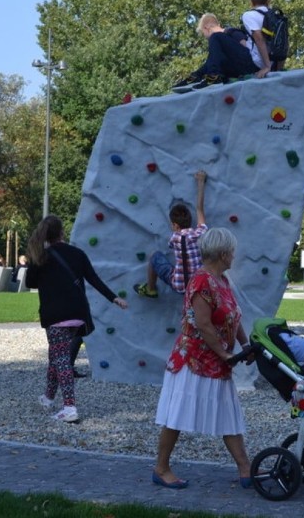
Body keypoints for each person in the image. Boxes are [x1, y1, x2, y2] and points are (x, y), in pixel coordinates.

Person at [153, 227, 252, 490]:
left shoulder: (221, 280)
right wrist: (225, 354)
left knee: (228, 414)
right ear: (222, 254)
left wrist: (245, 344)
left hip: (217, 361)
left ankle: (245, 467)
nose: (233, 255)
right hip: (194, 360)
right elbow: (203, 324)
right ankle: (161, 468)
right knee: (177, 416)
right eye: (231, 251)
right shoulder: (201, 281)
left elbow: (233, 315)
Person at [26, 215, 128, 423]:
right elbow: (94, 279)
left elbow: (31, 282)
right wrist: (114, 298)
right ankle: (48, 397)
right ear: (62, 232)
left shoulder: (41, 256)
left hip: (55, 315)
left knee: (61, 358)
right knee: (57, 354)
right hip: (78, 314)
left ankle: (69, 408)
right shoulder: (78, 254)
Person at [136, 170, 208, 298]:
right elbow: (199, 209)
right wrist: (201, 182)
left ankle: (150, 289)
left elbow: (172, 246)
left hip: (179, 285)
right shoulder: (199, 233)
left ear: (175, 225)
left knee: (155, 256)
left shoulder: (175, 238)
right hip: (197, 286)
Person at [172, 14, 259, 91]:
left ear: (206, 28)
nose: (206, 38)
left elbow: (247, 49)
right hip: (236, 68)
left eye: (203, 34)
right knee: (212, 59)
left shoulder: (230, 31)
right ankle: (194, 77)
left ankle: (213, 76)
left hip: (249, 63)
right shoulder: (221, 43)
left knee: (215, 37)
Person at [241, 0, 275, 77]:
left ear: (251, 2)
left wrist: (267, 66)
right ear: (268, 1)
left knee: (224, 36)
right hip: (275, 62)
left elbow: (259, 39)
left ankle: (214, 76)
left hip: (257, 62)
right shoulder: (277, 17)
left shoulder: (248, 15)